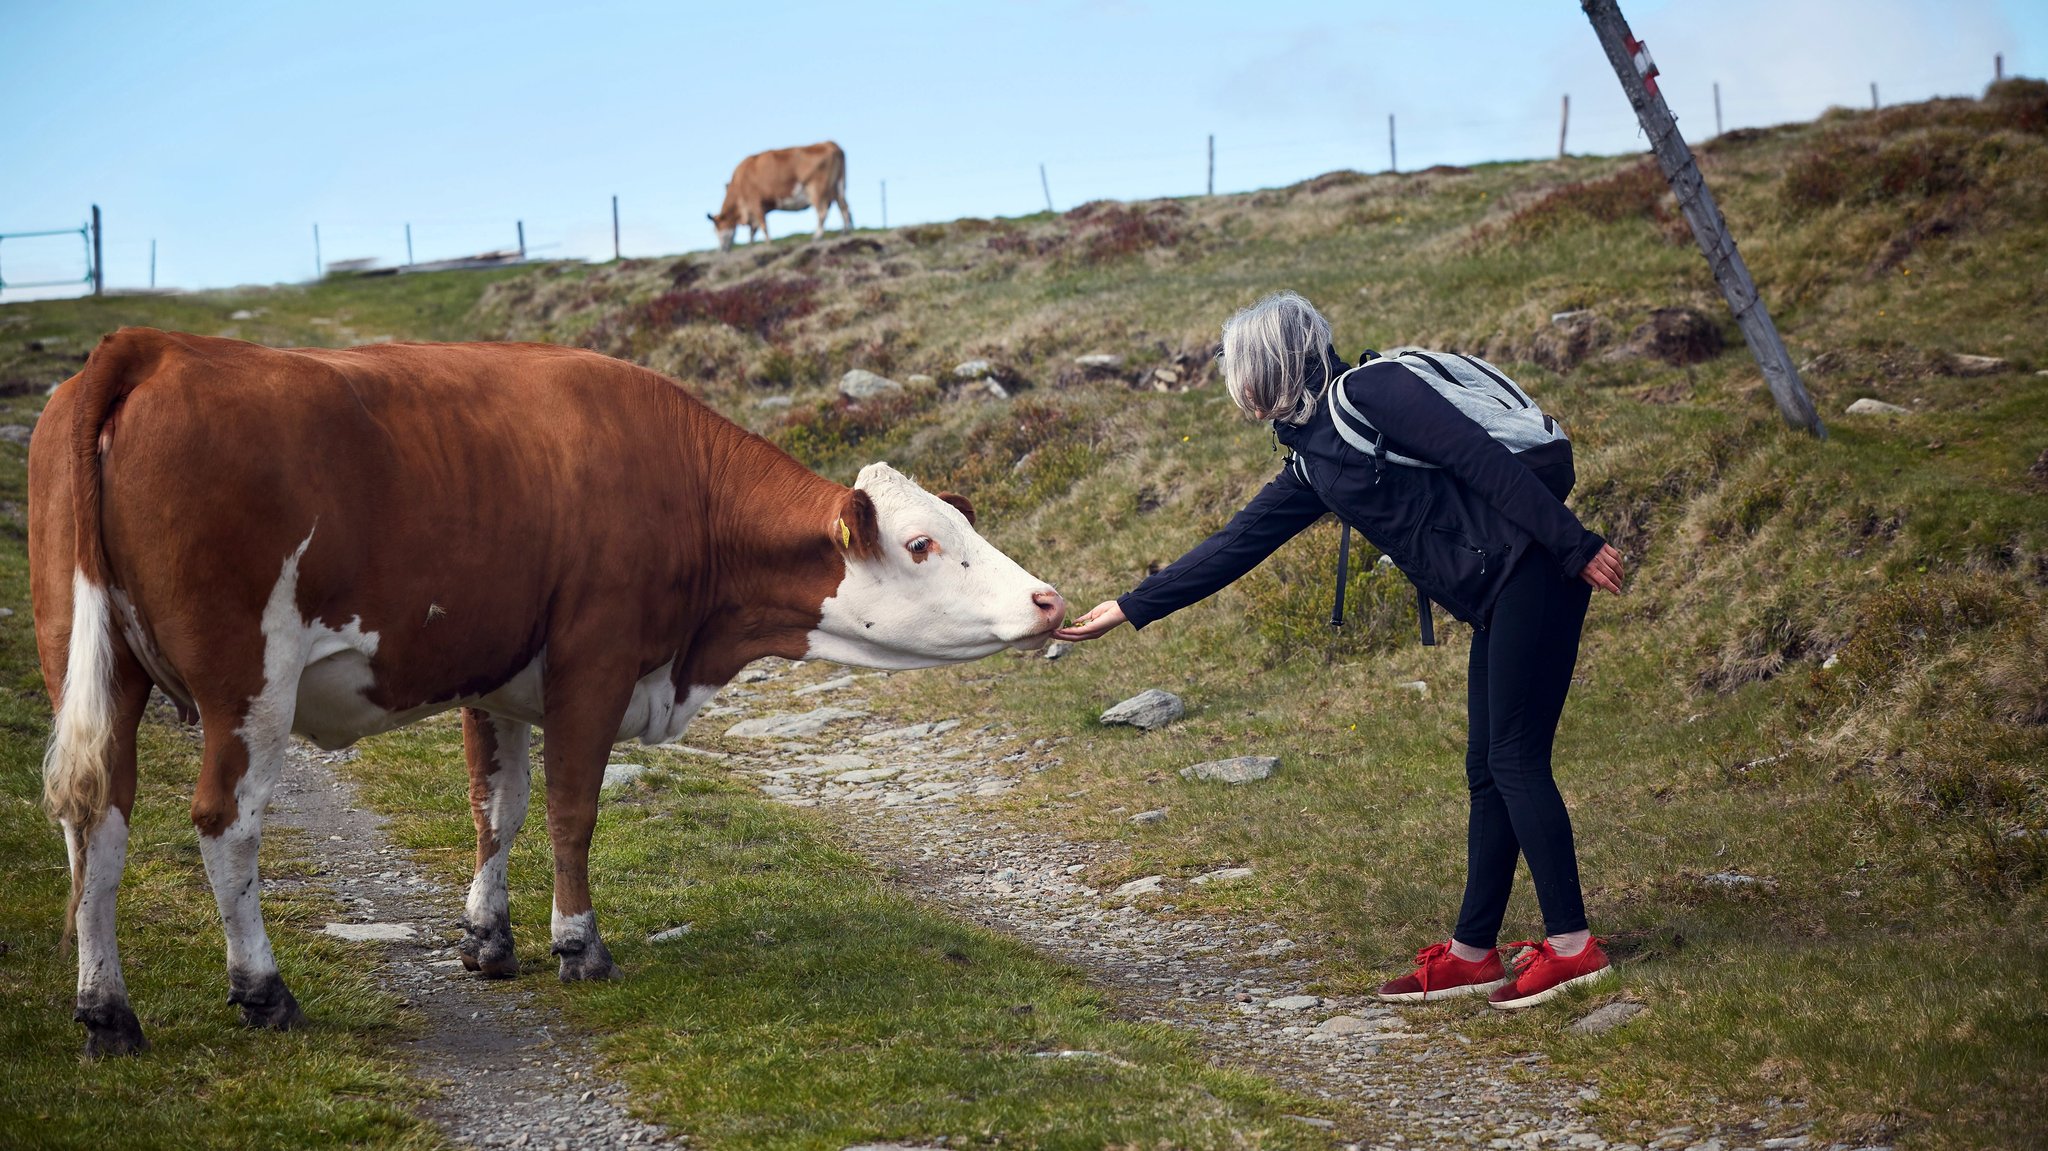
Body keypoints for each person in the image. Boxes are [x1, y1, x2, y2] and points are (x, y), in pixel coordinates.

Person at [1055, 291, 1626, 1009]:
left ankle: (1574, 947)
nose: (1238, 385)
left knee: (1511, 758)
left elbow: (1479, 460)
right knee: (1489, 766)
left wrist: (1575, 545)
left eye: (1242, 367)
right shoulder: (1314, 456)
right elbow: (1236, 543)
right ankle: (1473, 952)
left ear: (1275, 361)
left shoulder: (1371, 391)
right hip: (1504, 587)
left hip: (1537, 566)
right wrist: (1130, 606)